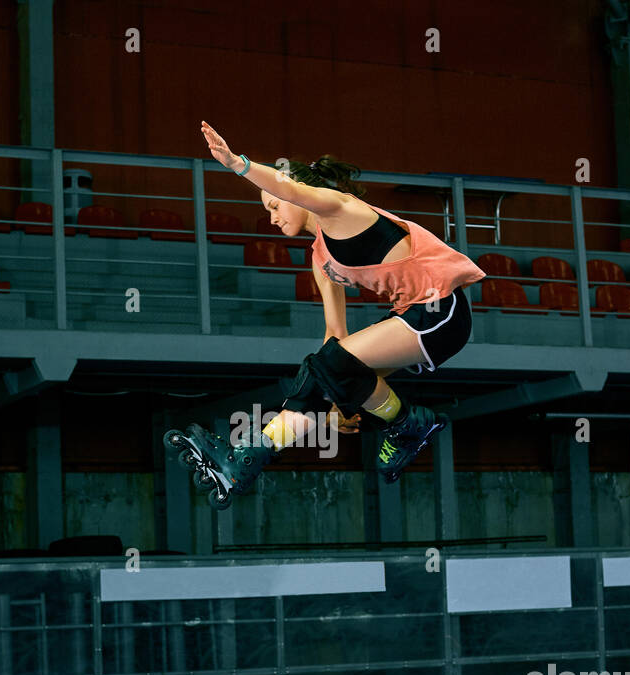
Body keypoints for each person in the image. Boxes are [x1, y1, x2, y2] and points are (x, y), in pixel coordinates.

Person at [169, 121, 485, 509]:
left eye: (273, 205)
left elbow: (289, 187)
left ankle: (407, 425)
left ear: (295, 195)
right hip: (410, 316)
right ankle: (244, 462)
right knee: (319, 371)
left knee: (330, 367)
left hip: (441, 310)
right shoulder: (321, 257)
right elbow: (334, 335)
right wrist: (334, 401)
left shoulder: (343, 210)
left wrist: (238, 163)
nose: (271, 217)